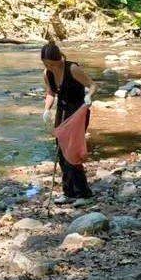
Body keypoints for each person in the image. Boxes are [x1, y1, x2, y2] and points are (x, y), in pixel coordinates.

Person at [41, 42, 97, 204]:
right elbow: (50, 93)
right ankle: (69, 192)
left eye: (52, 63)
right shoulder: (47, 73)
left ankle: (84, 194)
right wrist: (46, 109)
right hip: (62, 111)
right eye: (46, 64)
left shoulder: (72, 69)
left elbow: (93, 85)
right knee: (61, 152)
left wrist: (89, 96)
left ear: (59, 59)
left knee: (72, 152)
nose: (49, 67)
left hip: (77, 112)